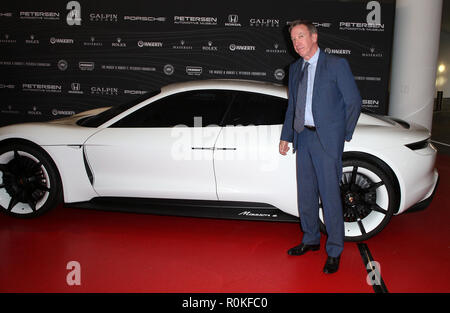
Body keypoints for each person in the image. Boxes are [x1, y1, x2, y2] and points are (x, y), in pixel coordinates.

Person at [279, 20, 361, 274]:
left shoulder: (336, 65)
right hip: (303, 138)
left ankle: (335, 249)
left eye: (301, 36)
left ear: (314, 36)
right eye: (293, 39)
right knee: (306, 194)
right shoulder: (295, 69)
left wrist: (341, 135)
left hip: (326, 141)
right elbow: (293, 105)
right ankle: (311, 239)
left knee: (329, 197)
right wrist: (287, 136)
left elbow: (354, 102)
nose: (297, 43)